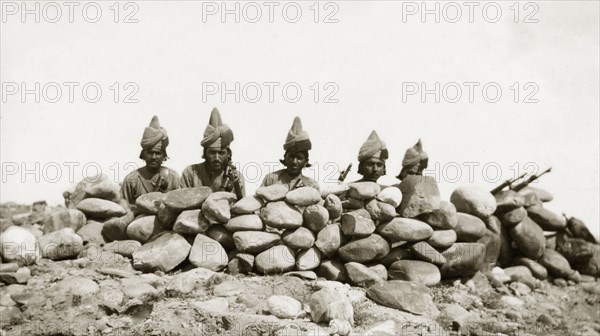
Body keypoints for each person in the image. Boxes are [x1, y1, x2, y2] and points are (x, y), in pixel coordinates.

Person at [180, 108, 245, 198]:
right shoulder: (190, 173)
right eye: (212, 153)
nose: (217, 158)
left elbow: (241, 207)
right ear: (205, 153)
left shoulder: (236, 178)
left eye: (221, 153)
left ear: (228, 154)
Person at [120, 116, 180, 209]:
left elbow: (180, 204)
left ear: (164, 155)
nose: (154, 157)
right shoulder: (131, 180)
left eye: (158, 153)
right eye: (150, 153)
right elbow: (122, 206)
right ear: (143, 154)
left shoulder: (173, 178)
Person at [261, 116, 320, 191]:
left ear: (306, 161)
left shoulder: (311, 186)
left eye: (299, 158)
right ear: (285, 157)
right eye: (291, 156)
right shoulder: (271, 180)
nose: (294, 162)